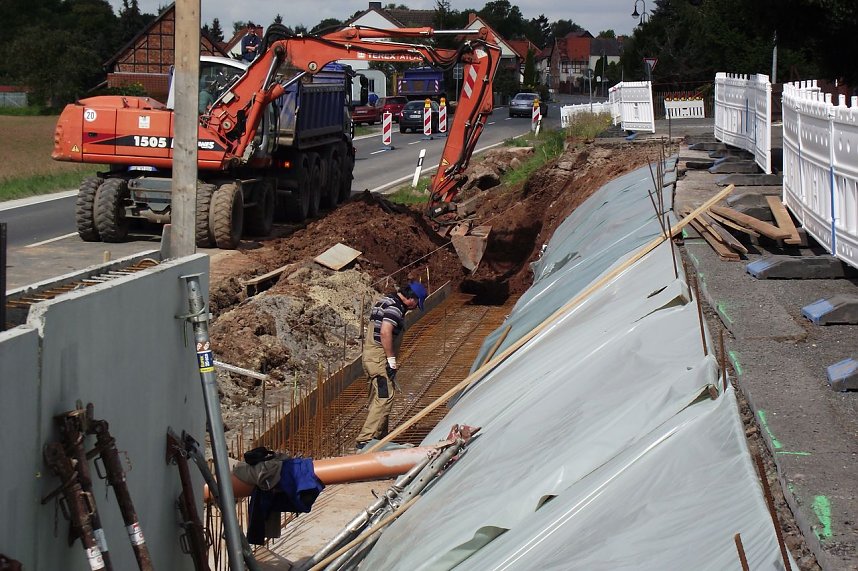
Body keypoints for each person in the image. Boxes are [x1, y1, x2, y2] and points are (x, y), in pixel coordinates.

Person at [355, 281, 428, 452]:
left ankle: (379, 438)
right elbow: (385, 332)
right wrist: (391, 360)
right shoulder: (395, 308)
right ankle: (365, 441)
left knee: (379, 397)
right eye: (417, 303)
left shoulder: (386, 300)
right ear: (411, 298)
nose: (416, 307)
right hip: (379, 358)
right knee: (384, 396)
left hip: (371, 357)